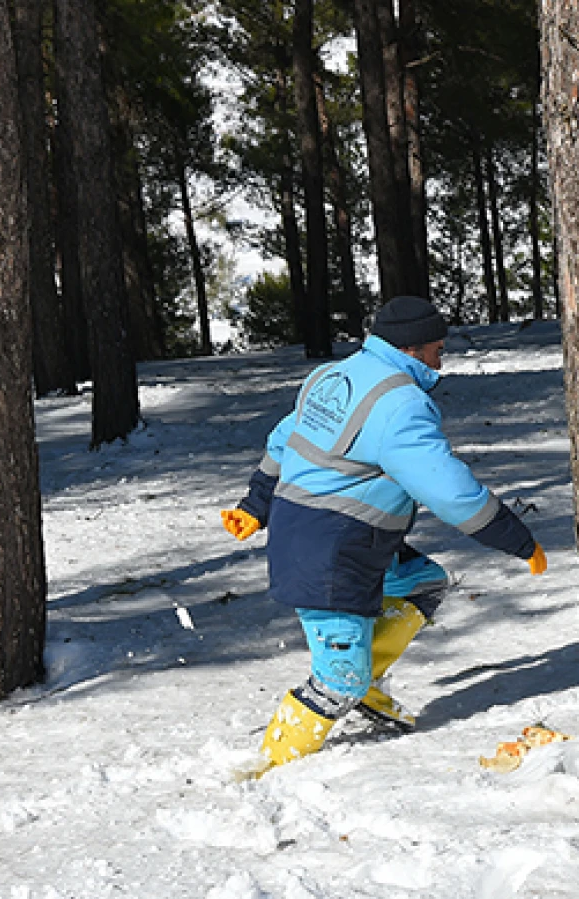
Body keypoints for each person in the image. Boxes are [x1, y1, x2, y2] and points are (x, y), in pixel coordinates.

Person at [221, 296, 547, 774]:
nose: (442, 361)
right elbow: (450, 491)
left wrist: (257, 504)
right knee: (337, 683)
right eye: (438, 349)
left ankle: (366, 682)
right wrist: (519, 541)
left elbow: (284, 439)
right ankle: (271, 766)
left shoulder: (336, 375)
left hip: (333, 534)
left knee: (422, 583)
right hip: (333, 550)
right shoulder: (401, 406)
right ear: (413, 350)